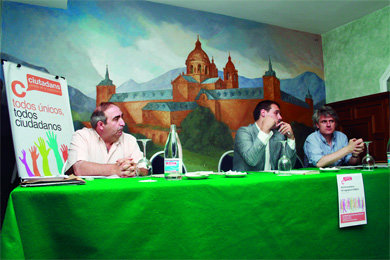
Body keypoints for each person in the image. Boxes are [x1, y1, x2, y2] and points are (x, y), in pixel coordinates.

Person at [65, 102, 143, 177]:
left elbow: (144, 168)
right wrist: (115, 169)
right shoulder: (81, 136)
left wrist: (133, 170)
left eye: (122, 117)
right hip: (89, 189)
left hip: (122, 190)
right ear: (101, 125)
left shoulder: (129, 140)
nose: (123, 123)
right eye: (116, 119)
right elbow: (79, 169)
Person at [233, 100, 296, 171]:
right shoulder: (244, 132)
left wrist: (291, 138)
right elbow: (252, 160)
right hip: (247, 180)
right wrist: (265, 130)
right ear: (263, 113)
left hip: (272, 180)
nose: (280, 117)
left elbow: (287, 166)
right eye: (276, 113)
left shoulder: (278, 135)